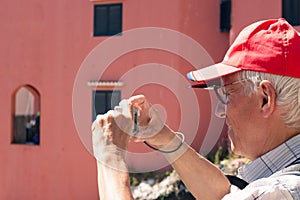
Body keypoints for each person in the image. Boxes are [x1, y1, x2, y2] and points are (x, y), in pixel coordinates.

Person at [91, 18, 300, 199]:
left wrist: (109, 156)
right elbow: (224, 195)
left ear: (265, 98)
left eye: (227, 94)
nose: (220, 109)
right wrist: (163, 137)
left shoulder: (281, 191)